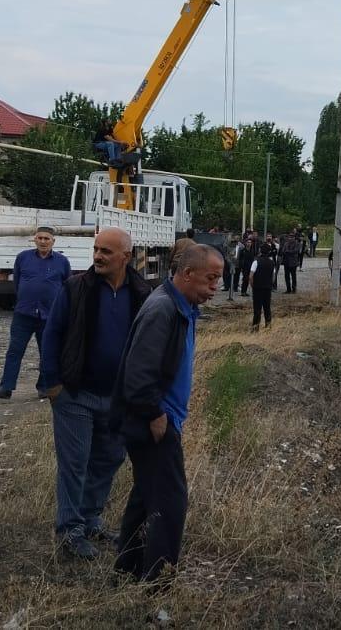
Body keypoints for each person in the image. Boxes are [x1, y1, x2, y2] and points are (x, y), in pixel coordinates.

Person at [112, 243, 222, 583]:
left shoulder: (182, 307)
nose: (215, 287)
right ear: (187, 274)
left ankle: (127, 567)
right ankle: (158, 580)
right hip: (153, 422)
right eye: (211, 279)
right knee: (171, 503)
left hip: (160, 418)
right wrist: (155, 416)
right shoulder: (162, 309)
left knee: (146, 496)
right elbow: (139, 372)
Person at [38, 228, 151, 559]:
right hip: (75, 394)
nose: (98, 256)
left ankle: (89, 519)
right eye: (96, 249)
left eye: (106, 251)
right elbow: (52, 333)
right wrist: (53, 383)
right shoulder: (76, 288)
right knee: (75, 464)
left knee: (109, 459)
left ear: (126, 258)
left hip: (117, 398)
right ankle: (69, 530)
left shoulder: (141, 292)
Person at [0, 227, 70, 399]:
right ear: (34, 239)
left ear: (53, 241)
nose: (43, 241)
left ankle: (44, 387)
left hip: (49, 316)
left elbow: (66, 287)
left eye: (47, 239)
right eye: (40, 238)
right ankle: (6, 387)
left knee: (47, 353)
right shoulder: (23, 258)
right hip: (24, 314)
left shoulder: (62, 261)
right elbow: (18, 282)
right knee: (15, 350)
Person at [250, 243, 276, 329]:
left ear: (260, 251)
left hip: (257, 288)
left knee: (257, 309)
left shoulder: (256, 261)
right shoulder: (272, 262)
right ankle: (268, 326)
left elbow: (251, 275)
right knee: (267, 308)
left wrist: (252, 285)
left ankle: (255, 327)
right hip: (267, 288)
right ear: (269, 252)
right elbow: (273, 276)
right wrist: (270, 284)